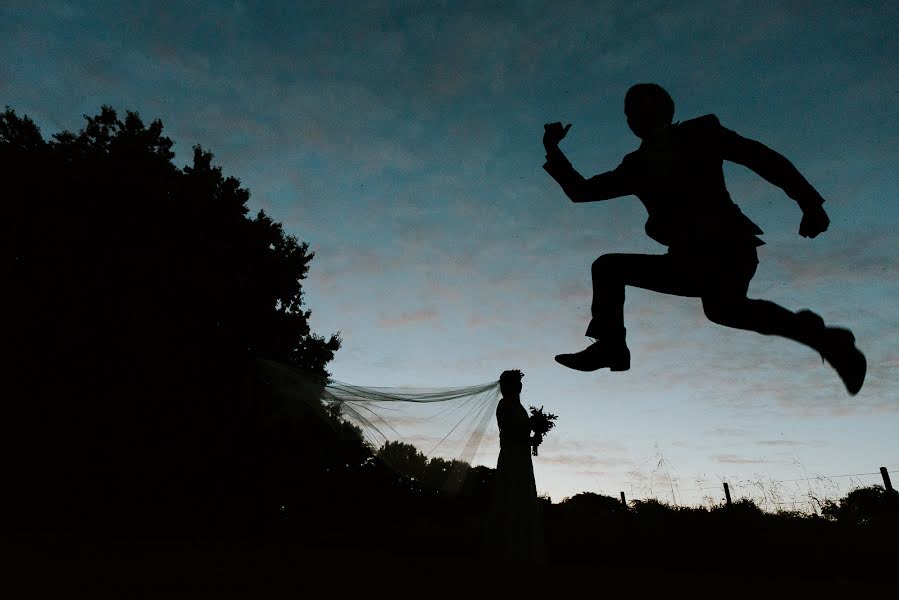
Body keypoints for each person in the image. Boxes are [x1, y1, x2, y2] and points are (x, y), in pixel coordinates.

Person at [543, 83, 866, 395]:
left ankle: (821, 336)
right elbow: (582, 192)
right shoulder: (636, 165)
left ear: (661, 111)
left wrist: (809, 202)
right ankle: (823, 338)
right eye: (629, 112)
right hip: (686, 258)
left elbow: (762, 159)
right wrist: (553, 150)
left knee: (621, 272)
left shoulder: (701, 134)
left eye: (636, 110)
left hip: (727, 248)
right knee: (721, 309)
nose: (632, 118)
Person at [483, 370, 546, 567]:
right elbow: (512, 432)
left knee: (522, 498)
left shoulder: (522, 409)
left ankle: (522, 552)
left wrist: (534, 438)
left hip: (523, 459)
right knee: (510, 497)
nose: (519, 386)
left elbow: (522, 435)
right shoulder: (505, 406)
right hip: (511, 457)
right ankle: (506, 554)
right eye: (515, 383)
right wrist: (529, 438)